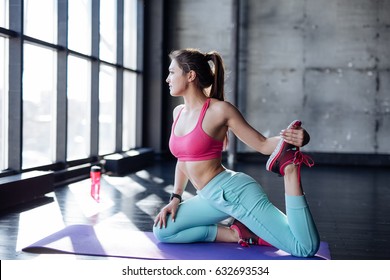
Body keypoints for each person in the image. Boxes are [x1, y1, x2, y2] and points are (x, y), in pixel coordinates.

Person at [153, 48, 320, 257]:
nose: (167, 79)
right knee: (163, 231)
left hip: (233, 193)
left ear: (190, 75)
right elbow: (182, 160)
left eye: (172, 72)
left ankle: (291, 170)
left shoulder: (220, 110)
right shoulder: (178, 113)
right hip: (208, 198)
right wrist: (175, 197)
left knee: (304, 248)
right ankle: (236, 233)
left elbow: (263, 143)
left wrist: (296, 139)